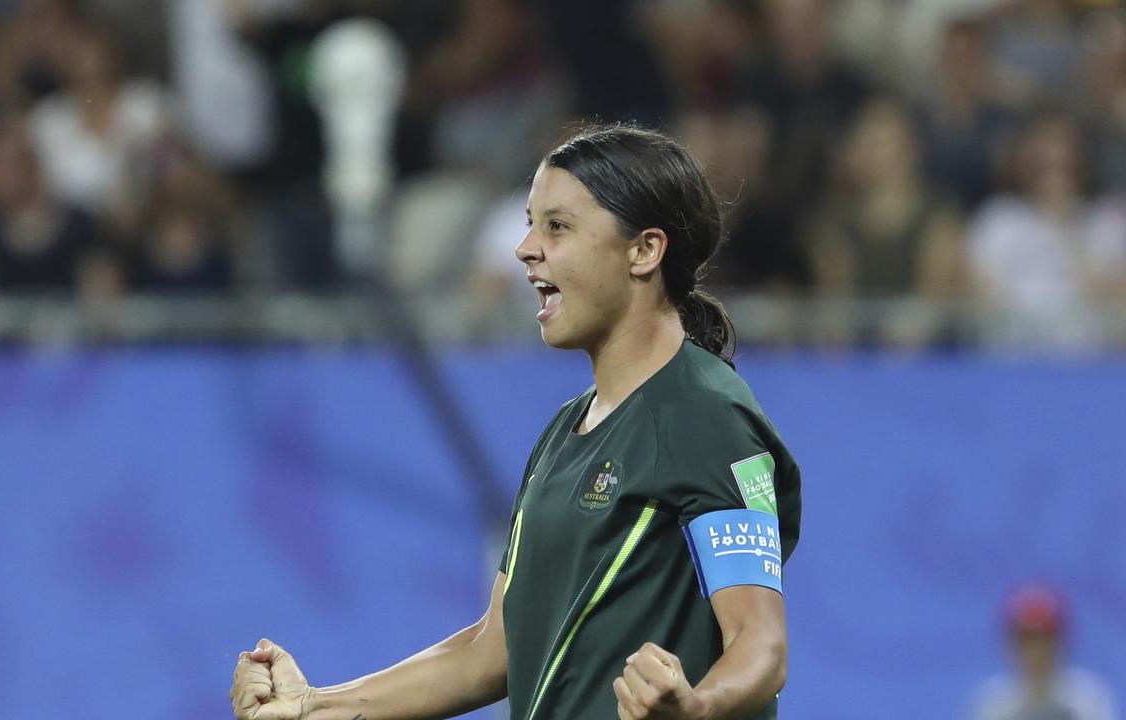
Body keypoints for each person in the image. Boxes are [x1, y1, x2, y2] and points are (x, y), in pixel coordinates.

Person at [230, 124, 803, 720]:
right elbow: (492, 651)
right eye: (531, 222)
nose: (525, 247)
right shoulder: (564, 431)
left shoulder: (705, 415)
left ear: (644, 251)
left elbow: (760, 644)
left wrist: (696, 709)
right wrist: (312, 707)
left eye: (557, 226)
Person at [971, 584, 1118, 720]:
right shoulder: (993, 704)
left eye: (1045, 640)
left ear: (1061, 641)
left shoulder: (1088, 698)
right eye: (1027, 641)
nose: (1036, 651)